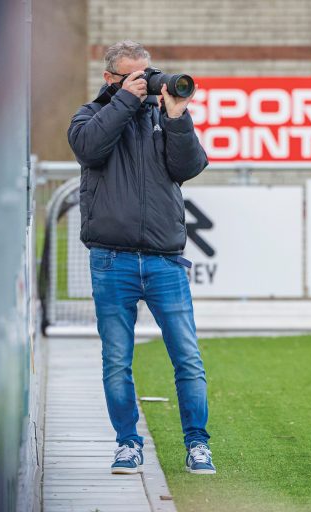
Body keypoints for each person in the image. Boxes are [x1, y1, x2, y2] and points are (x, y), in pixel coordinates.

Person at [68, 40, 216, 475]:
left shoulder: (162, 117)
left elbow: (188, 167)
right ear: (110, 79)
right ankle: (127, 443)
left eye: (149, 73)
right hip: (111, 261)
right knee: (117, 358)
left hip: (164, 261)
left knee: (187, 356)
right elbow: (90, 150)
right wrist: (125, 103)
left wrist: (176, 116)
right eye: (135, 76)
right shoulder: (89, 116)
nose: (148, 82)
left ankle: (197, 445)